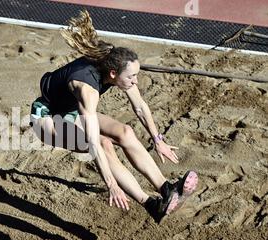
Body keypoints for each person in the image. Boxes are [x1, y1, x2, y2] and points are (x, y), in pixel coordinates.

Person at [29, 10, 198, 223]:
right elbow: (92, 144)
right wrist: (111, 184)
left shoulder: (115, 65)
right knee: (104, 143)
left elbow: (139, 107)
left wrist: (158, 140)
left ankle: (167, 190)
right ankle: (152, 205)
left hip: (70, 110)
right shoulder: (87, 89)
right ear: (113, 75)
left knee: (125, 132)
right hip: (47, 118)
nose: (135, 81)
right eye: (132, 77)